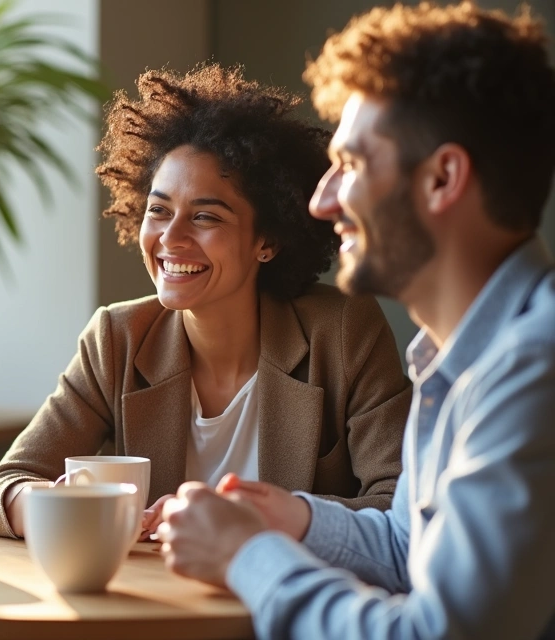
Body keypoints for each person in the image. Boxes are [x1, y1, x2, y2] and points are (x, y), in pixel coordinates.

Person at [157, 3, 555, 638]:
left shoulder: (534, 368)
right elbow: (407, 549)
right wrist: (292, 518)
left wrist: (247, 556)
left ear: (443, 178)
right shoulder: (457, 358)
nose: (321, 201)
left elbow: (436, 633)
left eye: (353, 165)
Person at [0, 63, 410, 539]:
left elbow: (398, 506)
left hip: (282, 585)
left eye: (205, 217)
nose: (170, 238)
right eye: (159, 210)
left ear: (267, 240)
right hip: (154, 586)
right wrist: (52, 505)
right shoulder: (117, 339)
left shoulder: (342, 332)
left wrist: (245, 517)